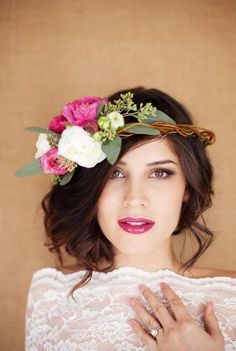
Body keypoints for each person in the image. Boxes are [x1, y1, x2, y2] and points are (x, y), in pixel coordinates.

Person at [17, 87, 236, 350]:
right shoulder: (48, 294)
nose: (134, 198)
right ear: (93, 187)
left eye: (160, 173)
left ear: (187, 188)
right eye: (116, 174)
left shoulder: (231, 298)